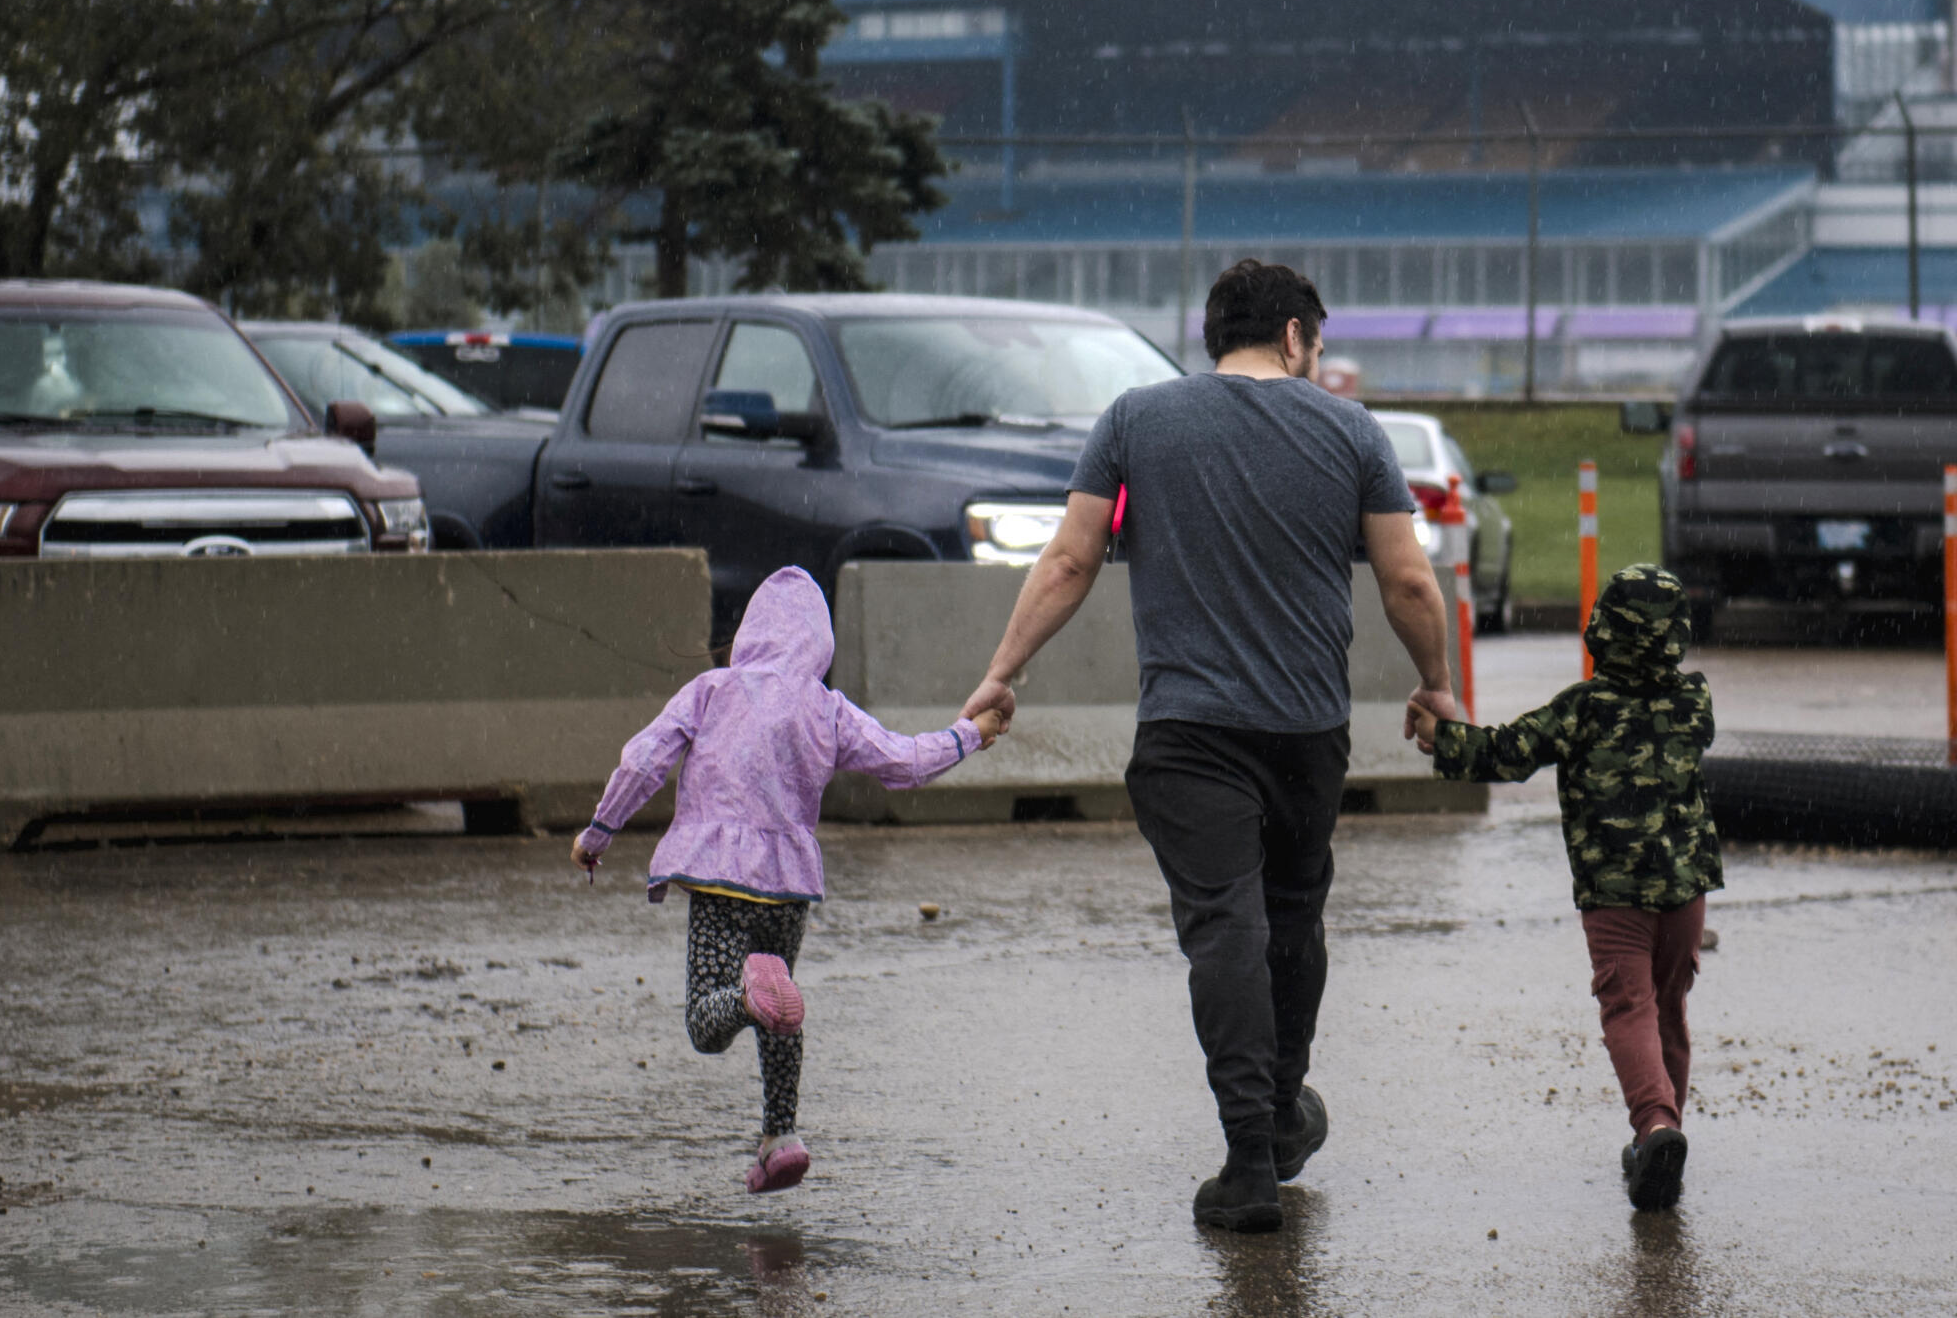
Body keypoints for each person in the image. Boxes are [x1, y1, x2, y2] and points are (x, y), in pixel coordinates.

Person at [958, 258, 1459, 1233]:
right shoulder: (1353, 432)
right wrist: (1435, 685)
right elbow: (1407, 583)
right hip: (1308, 733)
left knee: (1224, 929)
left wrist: (1003, 671)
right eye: (1316, 345)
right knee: (1290, 919)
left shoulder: (1134, 422)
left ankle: (1248, 1160)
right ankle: (1275, 1115)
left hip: (1188, 734)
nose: (1318, 363)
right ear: (1290, 338)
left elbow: (1068, 558)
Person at [571, 567, 1004, 1194]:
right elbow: (903, 763)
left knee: (706, 1019)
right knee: (782, 1016)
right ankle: (781, 1136)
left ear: (751, 631)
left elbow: (646, 758)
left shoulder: (712, 690)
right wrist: (971, 735)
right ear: (818, 644)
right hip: (789, 888)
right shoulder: (826, 709)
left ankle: (747, 999)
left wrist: (599, 831)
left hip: (720, 877)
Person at [1409, 564, 1723, 1212]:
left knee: (1626, 1004)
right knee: (1667, 1006)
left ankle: (1656, 1128)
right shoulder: (1695, 703)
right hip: (1685, 888)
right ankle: (1663, 1137)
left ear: (1601, 633)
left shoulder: (1581, 710)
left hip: (1614, 892)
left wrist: (1443, 736)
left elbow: (1507, 752)